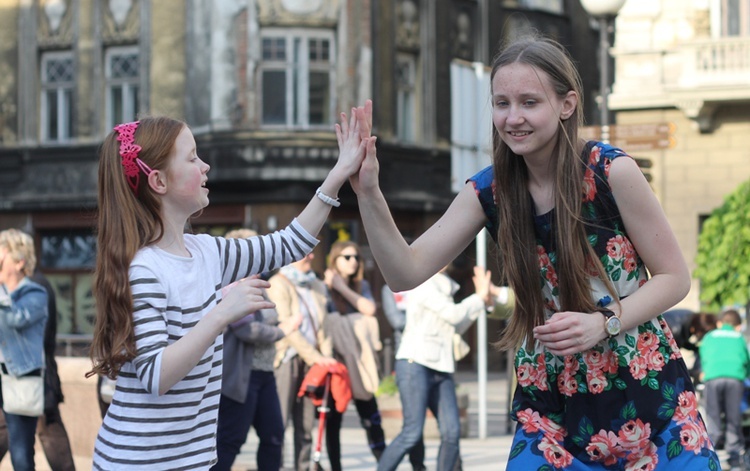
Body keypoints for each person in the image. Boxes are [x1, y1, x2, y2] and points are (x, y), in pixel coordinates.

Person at [351, 35, 719, 468]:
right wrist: (369, 192)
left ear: (567, 104)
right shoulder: (488, 191)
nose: (512, 118)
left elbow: (675, 278)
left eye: (529, 102)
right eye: (501, 103)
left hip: (648, 395)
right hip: (551, 405)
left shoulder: (611, 172)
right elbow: (405, 272)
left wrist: (603, 323)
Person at [87, 103, 370, 469]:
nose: (205, 166)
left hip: (191, 461)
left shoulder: (208, 251)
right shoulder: (144, 268)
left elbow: (289, 244)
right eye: (192, 159)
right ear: (158, 181)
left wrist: (338, 174)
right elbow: (156, 375)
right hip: (137, 462)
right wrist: (222, 312)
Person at [378, 262, 490, 471]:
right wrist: (479, 297)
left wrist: (480, 301)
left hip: (442, 366)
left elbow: (456, 324)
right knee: (412, 432)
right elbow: (454, 314)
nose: (444, 258)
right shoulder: (423, 283)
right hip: (414, 364)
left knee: (452, 433)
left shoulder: (446, 286)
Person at [212, 228, 302, 471]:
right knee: (230, 441)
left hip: (265, 373)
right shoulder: (231, 288)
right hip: (240, 377)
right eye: (253, 249)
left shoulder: (259, 285)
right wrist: (283, 330)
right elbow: (248, 331)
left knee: (274, 437)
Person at [0, 268, 77, 471]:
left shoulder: (35, 288)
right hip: (20, 380)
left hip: (34, 378)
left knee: (46, 432)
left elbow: (28, 337)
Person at [267, 252, 336, 471]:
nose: (311, 256)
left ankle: (303, 467)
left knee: (305, 425)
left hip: (314, 363)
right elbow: (287, 329)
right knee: (280, 422)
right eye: (305, 252)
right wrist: (317, 358)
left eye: (313, 251)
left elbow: (324, 327)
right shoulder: (277, 283)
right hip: (287, 358)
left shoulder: (317, 285)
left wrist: (326, 357)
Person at [323, 241, 386, 470]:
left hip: (360, 362)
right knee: (333, 420)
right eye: (347, 257)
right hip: (337, 363)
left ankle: (384, 462)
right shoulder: (323, 288)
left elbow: (369, 309)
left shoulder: (361, 285)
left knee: (371, 417)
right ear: (335, 259)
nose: (353, 262)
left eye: (356, 257)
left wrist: (341, 287)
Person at [0, 229, 49, 471]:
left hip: (19, 382)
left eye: (2, 253)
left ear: (19, 261)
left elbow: (14, 320)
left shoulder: (35, 293)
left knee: (21, 457)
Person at [380, 284, 427, 471]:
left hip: (435, 357)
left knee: (449, 428)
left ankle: (419, 466)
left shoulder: (425, 283)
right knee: (413, 427)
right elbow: (397, 321)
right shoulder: (390, 289)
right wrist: (425, 316)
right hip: (409, 356)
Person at [699, 309, 750, 470]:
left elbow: (704, 355)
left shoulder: (710, 336)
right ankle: (734, 458)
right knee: (733, 417)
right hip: (734, 379)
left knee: (713, 416)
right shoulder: (738, 337)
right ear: (737, 325)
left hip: (712, 378)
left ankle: (710, 455)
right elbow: (746, 360)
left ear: (721, 322)